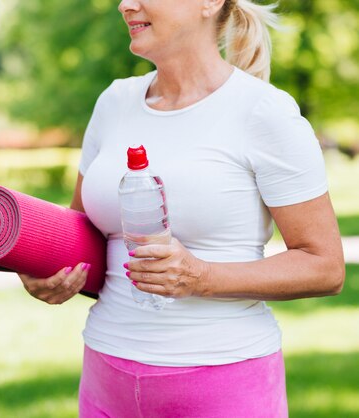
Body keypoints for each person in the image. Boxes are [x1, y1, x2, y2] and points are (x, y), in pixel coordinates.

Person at [18, 0, 346, 416]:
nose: (125, 5)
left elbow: (325, 266)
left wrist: (201, 277)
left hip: (222, 380)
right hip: (106, 372)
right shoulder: (115, 102)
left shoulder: (263, 111)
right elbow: (84, 237)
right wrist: (50, 268)